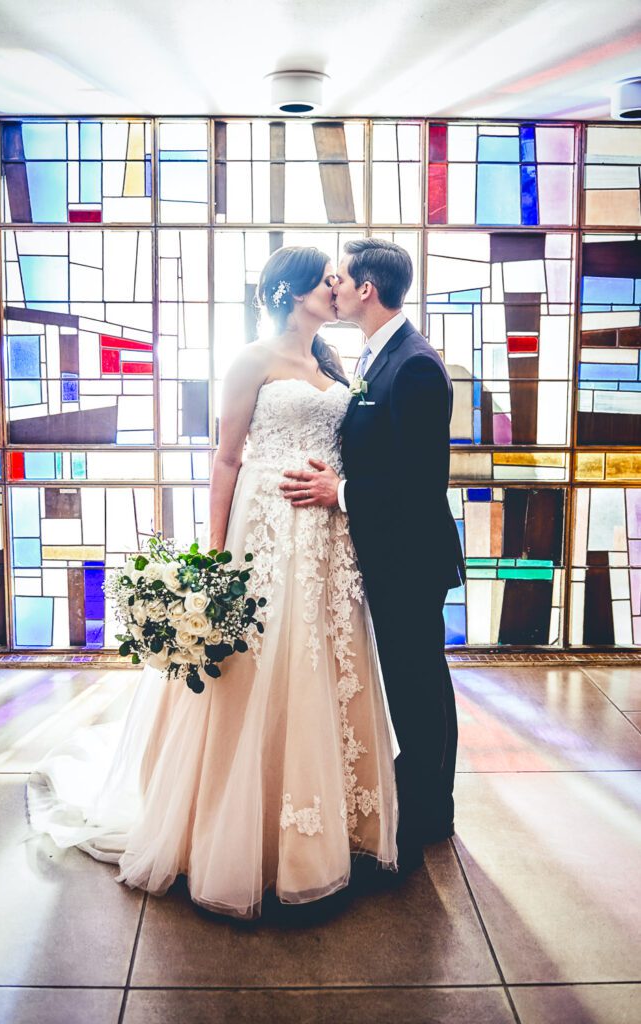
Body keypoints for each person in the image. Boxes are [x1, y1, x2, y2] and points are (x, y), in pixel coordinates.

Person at [27, 245, 398, 919]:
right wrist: (216, 552)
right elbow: (225, 459)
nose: (337, 289)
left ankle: (323, 825)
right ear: (290, 293)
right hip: (263, 530)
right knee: (256, 664)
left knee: (319, 663)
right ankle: (234, 829)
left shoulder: (331, 364)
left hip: (324, 539)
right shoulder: (250, 361)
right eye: (326, 281)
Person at [280, 239, 465, 873]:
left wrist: (341, 491)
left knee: (417, 684)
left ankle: (427, 812)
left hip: (410, 554)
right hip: (387, 549)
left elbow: (419, 480)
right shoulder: (375, 356)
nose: (335, 289)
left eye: (344, 279)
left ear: (367, 290)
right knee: (419, 679)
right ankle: (427, 801)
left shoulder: (412, 364)